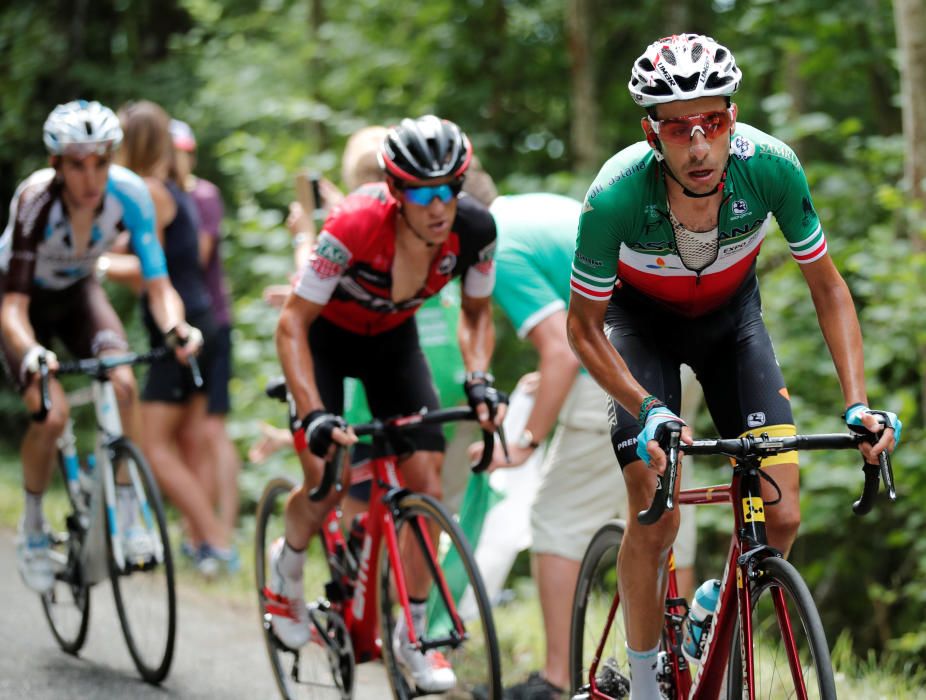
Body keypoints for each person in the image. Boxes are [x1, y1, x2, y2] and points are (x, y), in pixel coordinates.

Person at [565, 34, 901, 699]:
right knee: (657, 514)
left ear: (732, 121)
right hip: (641, 332)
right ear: (651, 132)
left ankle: (713, 608)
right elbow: (583, 330)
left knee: (781, 517)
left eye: (712, 122)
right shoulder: (614, 197)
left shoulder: (771, 168)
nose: (697, 145)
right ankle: (642, 679)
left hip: (731, 327)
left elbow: (828, 287)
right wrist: (649, 408)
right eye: (678, 127)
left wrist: (858, 403)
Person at [270, 115, 504, 693]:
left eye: (449, 187)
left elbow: (477, 315)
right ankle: (287, 569)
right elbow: (291, 325)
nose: (438, 204)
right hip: (324, 339)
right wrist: (313, 409)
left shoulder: (475, 228)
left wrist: (477, 375)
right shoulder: (351, 225)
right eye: (422, 192)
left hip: (391, 343)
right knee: (325, 479)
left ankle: (414, 634)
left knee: (423, 479)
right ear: (396, 191)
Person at [465, 188, 697, 699]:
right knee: (669, 504)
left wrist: (525, 443)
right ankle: (682, 669)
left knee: (557, 517)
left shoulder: (495, 247)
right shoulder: (535, 211)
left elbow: (562, 353)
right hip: (686, 345)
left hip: (623, 359)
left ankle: (556, 679)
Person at [0, 100, 201, 592]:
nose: (91, 178)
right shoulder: (34, 202)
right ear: (57, 165)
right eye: (77, 164)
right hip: (23, 306)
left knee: (124, 382)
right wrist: (31, 352)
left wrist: (178, 328)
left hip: (78, 295)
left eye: (101, 163)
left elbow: (159, 286)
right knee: (50, 415)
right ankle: (31, 526)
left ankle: (128, 511)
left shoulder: (131, 194)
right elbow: (12, 308)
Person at [115, 100, 234, 575]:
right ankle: (206, 543)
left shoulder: (146, 191)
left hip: (177, 327)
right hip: (201, 318)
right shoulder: (171, 188)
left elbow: (150, 269)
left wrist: (98, 264)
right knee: (189, 437)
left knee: (152, 443)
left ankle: (215, 540)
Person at [169, 119, 241, 569]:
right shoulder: (159, 197)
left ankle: (223, 532)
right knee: (187, 435)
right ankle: (196, 535)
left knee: (212, 431)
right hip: (180, 325)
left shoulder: (203, 196)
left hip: (212, 322)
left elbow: (195, 255)